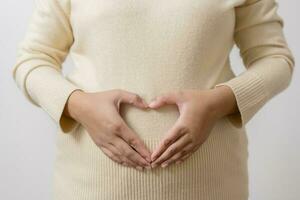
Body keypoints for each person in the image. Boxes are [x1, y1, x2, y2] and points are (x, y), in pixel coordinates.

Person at [11, 0, 295, 199]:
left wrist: (218, 102)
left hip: (210, 188)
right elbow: (33, 59)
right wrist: (78, 105)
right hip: (91, 188)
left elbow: (275, 59)